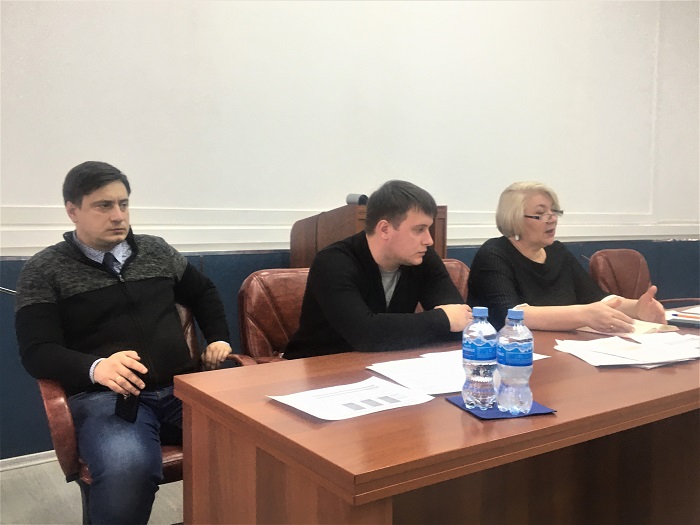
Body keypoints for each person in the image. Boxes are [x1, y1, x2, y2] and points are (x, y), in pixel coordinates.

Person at [15, 161, 233, 524]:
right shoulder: (44, 270)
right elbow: (36, 352)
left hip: (183, 389)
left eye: (123, 204)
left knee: (260, 439)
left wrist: (219, 337)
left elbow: (204, 292)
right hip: (106, 399)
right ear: (72, 211)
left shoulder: (156, 251)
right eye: (104, 205)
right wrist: (96, 367)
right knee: (128, 467)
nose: (118, 215)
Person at [284, 180, 472, 359]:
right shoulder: (332, 262)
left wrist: (449, 321)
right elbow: (364, 333)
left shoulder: (423, 258)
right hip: (319, 366)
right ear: (384, 229)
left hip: (385, 363)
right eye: (419, 229)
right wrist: (442, 320)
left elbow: (461, 320)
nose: (429, 240)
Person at [467, 181, 666, 331]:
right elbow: (512, 314)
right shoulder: (494, 254)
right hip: (509, 354)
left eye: (554, 212)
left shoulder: (558, 252)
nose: (552, 219)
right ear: (515, 218)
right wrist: (583, 314)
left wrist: (636, 308)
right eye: (541, 213)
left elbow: (596, 298)